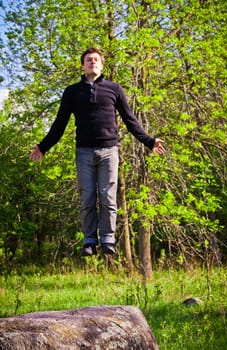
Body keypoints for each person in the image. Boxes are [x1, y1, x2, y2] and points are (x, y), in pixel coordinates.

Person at [30, 47, 165, 256]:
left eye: (96, 60)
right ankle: (90, 241)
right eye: (88, 60)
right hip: (84, 152)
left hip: (109, 150)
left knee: (107, 196)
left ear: (102, 65)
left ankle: (108, 240)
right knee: (87, 196)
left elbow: (130, 120)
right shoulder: (72, 91)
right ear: (83, 65)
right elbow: (60, 123)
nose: (92, 62)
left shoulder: (114, 89)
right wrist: (43, 146)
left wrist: (149, 141)